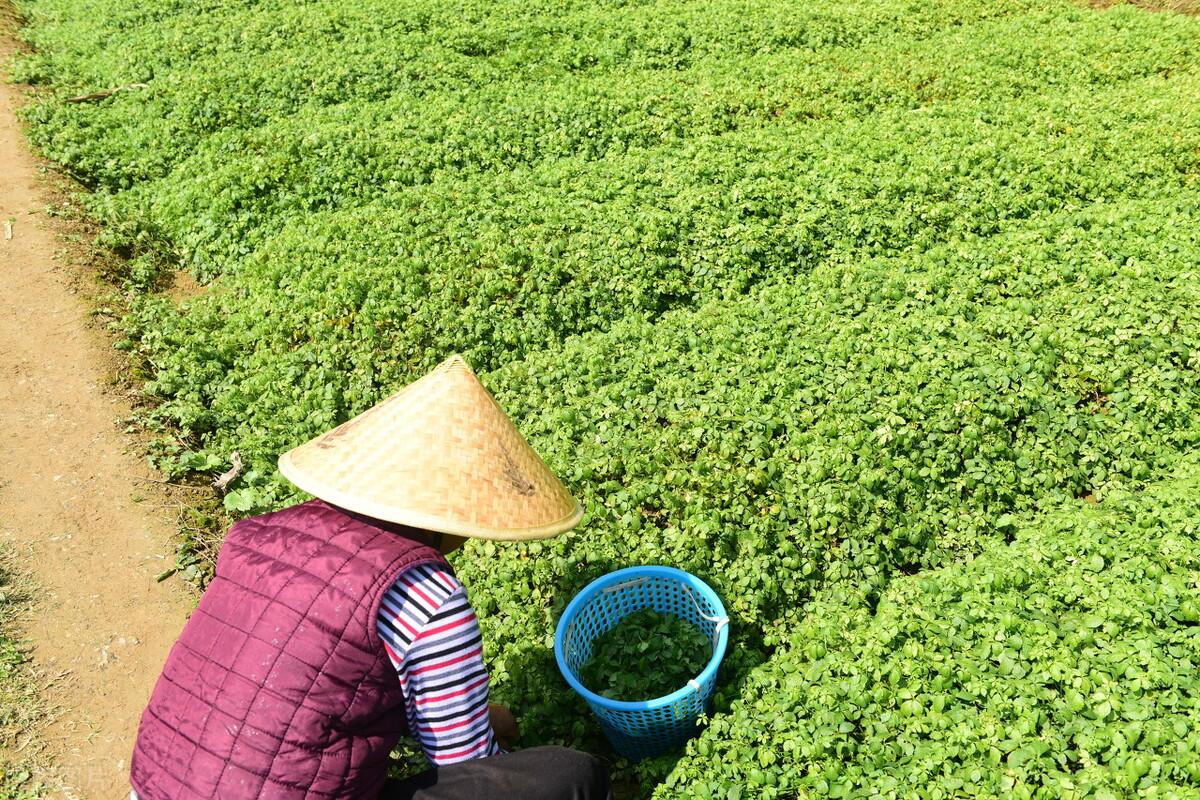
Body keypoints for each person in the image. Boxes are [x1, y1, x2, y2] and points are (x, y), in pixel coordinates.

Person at [130, 355, 610, 799]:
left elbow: (302, 684)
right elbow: (469, 766)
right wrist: (502, 746)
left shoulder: (259, 537)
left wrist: (488, 716)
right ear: (458, 518)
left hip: (152, 786)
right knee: (571, 775)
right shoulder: (428, 596)